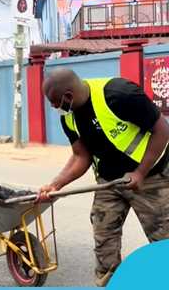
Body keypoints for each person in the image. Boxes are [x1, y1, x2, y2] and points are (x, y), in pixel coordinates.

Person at [37, 68, 169, 286]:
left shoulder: (119, 94)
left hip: (151, 178)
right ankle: (111, 282)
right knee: (104, 239)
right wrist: (55, 185)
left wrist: (140, 173)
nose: (53, 107)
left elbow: (162, 131)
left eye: (55, 101)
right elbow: (81, 157)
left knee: (163, 242)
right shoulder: (69, 118)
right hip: (109, 183)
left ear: (68, 96)